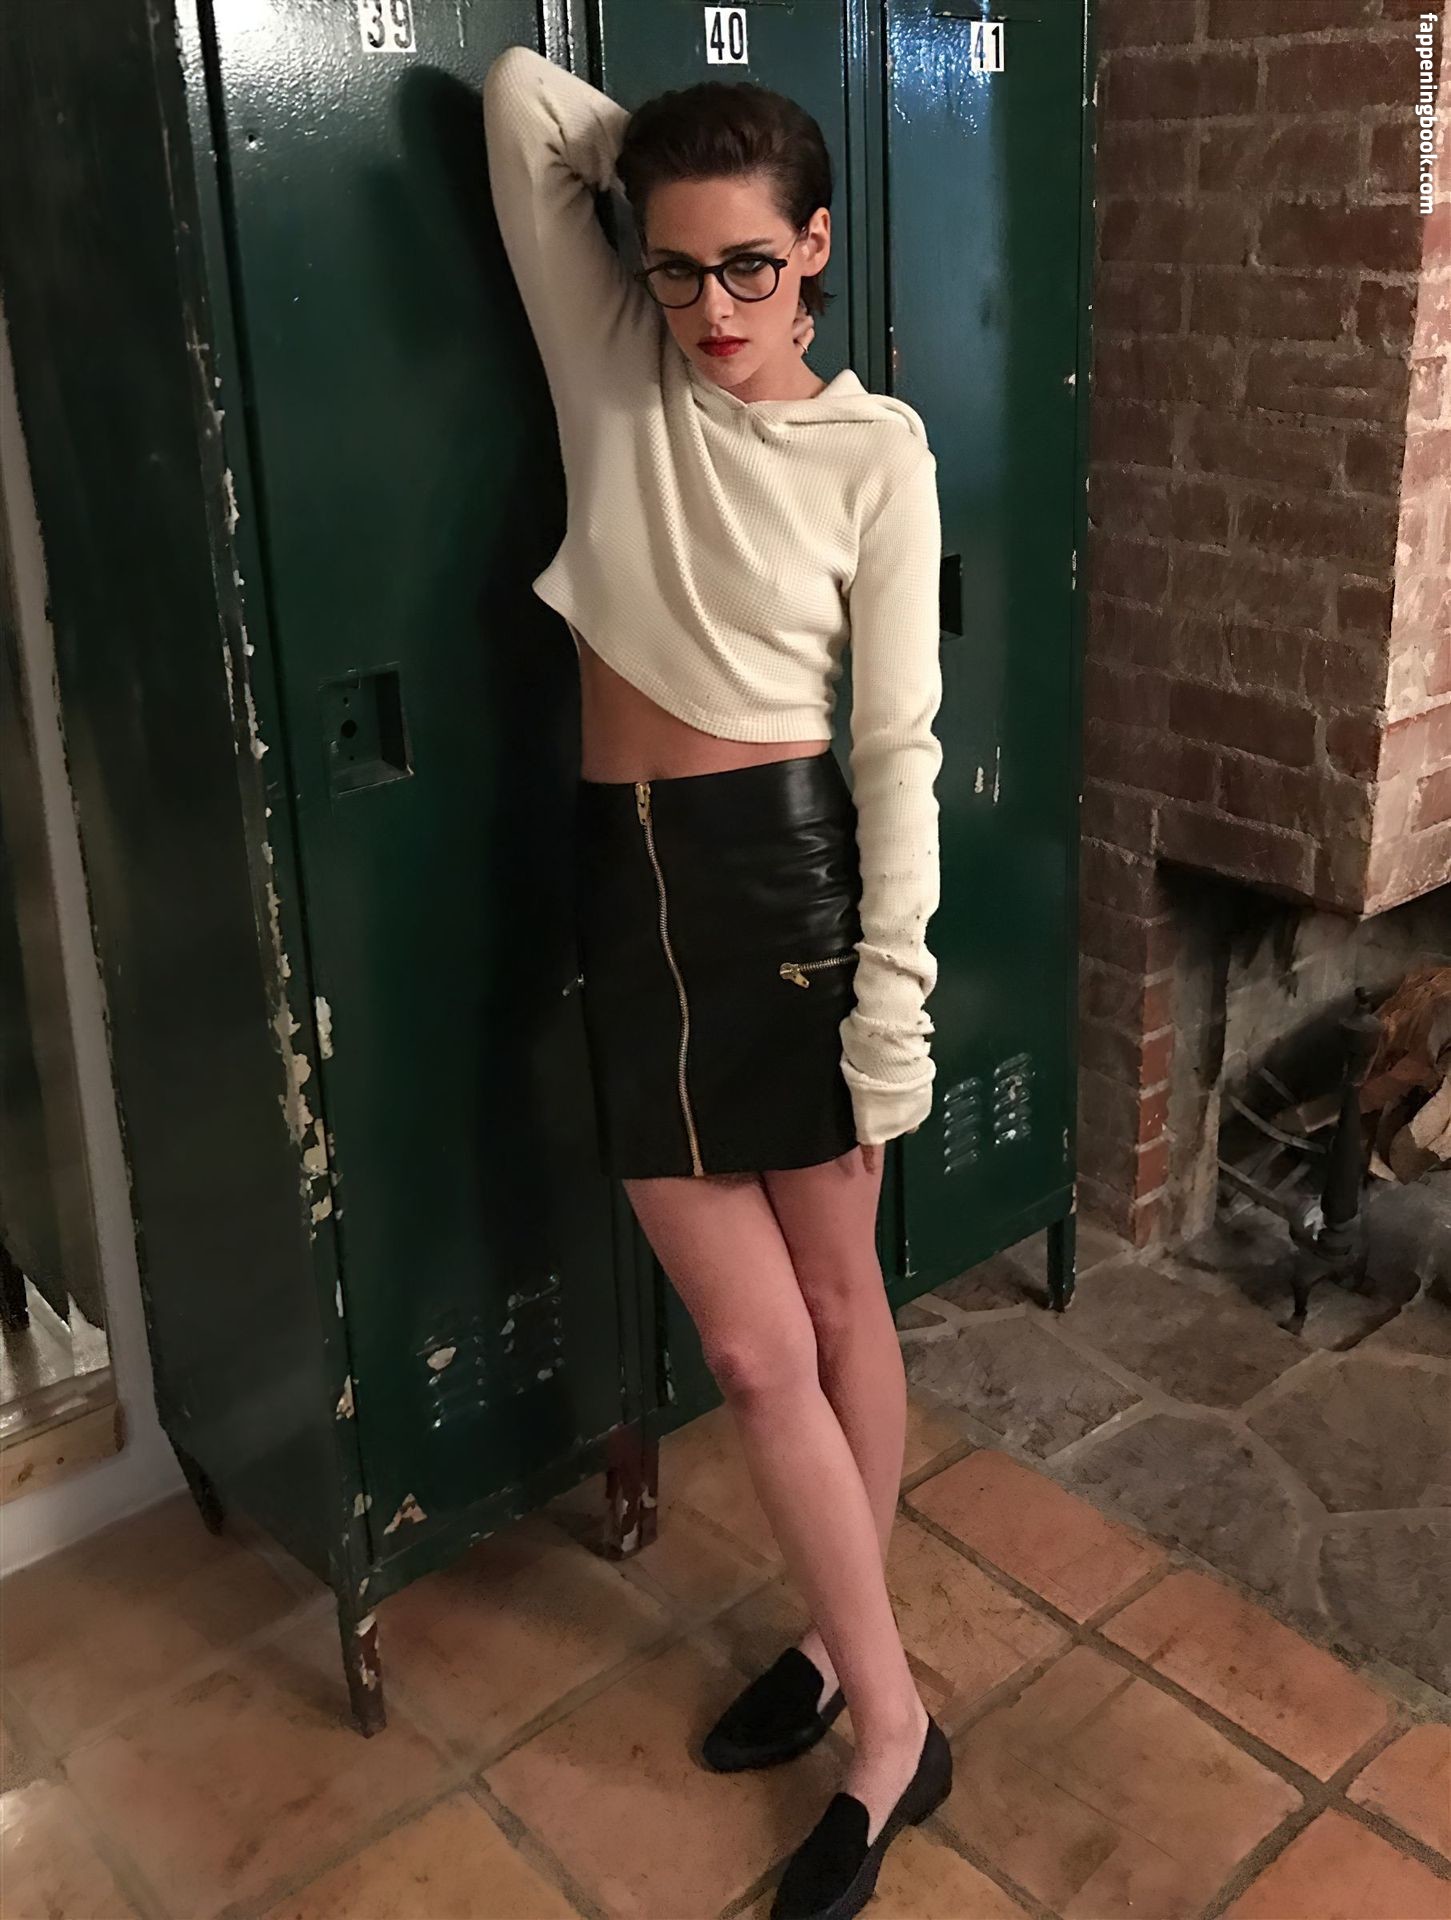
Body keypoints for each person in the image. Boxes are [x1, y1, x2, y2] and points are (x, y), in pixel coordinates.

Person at [483, 45, 949, 1920]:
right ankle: (893, 1700)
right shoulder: (616, 361)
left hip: (787, 887)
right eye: (675, 269)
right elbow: (521, 100)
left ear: (817, 247)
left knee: (830, 1313)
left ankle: (863, 1688)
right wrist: (669, 168)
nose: (711, 311)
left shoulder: (876, 450)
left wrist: (894, 1000)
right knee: (749, 1355)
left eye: (753, 265)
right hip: (629, 888)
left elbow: (898, 747)